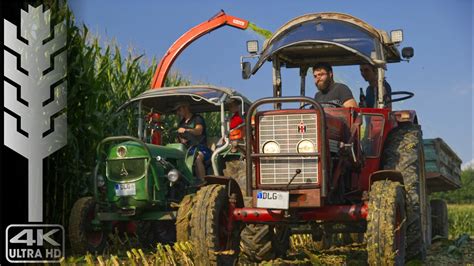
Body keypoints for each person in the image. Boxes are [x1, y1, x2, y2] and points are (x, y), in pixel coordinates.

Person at [173, 101, 212, 180]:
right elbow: (181, 139)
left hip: (200, 148)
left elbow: (199, 131)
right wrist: (182, 140)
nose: (178, 112)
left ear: (185, 108)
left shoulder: (197, 118)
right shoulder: (181, 123)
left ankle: (202, 182)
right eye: (177, 111)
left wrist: (187, 130)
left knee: (197, 158)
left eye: (179, 110)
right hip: (187, 149)